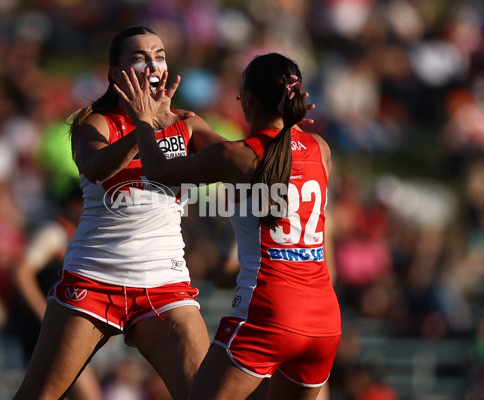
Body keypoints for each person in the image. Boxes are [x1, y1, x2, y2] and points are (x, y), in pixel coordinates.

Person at [114, 52, 342, 399]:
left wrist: (144, 120)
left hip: (269, 309)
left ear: (248, 99)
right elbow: (274, 157)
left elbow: (159, 170)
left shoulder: (241, 156)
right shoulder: (321, 149)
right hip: (324, 319)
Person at [13, 25, 224, 400]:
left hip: (164, 282)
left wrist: (278, 130)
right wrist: (144, 126)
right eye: (140, 57)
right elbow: (96, 167)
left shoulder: (187, 123)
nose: (153, 64)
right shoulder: (93, 123)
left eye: (159, 56)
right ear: (115, 74)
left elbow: (232, 157)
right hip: (94, 278)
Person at [11, 185, 103, 400]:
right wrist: (44, 314)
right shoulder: (54, 233)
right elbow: (21, 273)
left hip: (66, 327)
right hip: (46, 330)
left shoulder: (80, 237)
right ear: (74, 205)